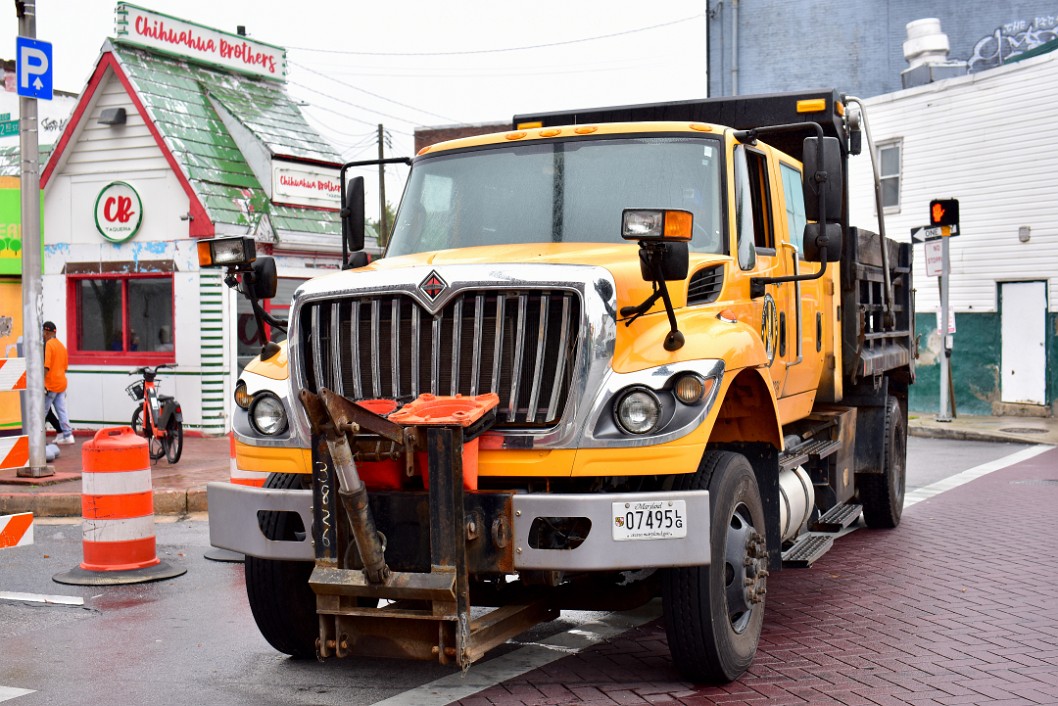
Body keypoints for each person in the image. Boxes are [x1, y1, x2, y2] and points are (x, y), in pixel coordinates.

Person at [42, 321, 74, 445]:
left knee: (42, 412)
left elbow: (46, 366)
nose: (43, 335)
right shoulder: (61, 346)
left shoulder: (49, 345)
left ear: (47, 332)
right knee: (62, 410)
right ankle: (68, 435)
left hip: (51, 385)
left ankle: (38, 438)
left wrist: (41, 382)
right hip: (62, 384)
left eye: (44, 332)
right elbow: (65, 367)